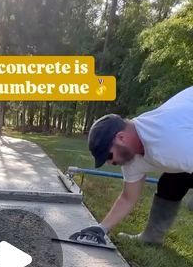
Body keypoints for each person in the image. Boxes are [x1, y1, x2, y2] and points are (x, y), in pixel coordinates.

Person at [70, 87, 193, 246]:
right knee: (171, 182)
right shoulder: (131, 156)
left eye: (108, 156)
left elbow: (179, 149)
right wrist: (101, 228)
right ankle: (151, 238)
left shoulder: (170, 144)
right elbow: (128, 198)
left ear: (121, 138)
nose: (110, 163)